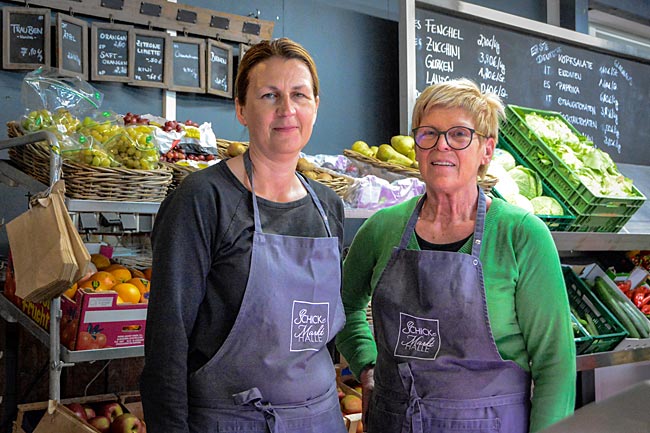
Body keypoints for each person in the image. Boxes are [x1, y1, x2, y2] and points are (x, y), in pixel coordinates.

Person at [336, 78, 576, 433]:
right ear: (416, 146)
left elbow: (555, 364)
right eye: (428, 133)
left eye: (460, 135)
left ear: (486, 150)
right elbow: (343, 304)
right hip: (394, 421)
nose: (441, 146)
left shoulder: (522, 235)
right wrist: (367, 365)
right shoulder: (381, 229)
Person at [140, 38, 347, 433]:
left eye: (299, 95)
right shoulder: (202, 200)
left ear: (316, 106)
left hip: (319, 420)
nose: (287, 110)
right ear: (241, 110)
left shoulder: (328, 206)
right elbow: (167, 340)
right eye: (270, 95)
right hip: (231, 422)